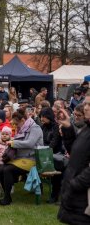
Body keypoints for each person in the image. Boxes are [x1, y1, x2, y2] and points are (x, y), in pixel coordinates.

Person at [0, 108, 43, 205]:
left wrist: (13, 143)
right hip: (21, 158)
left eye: (16, 124)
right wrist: (8, 140)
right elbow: (20, 141)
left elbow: (30, 143)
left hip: (33, 159)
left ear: (22, 120)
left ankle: (7, 198)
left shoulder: (35, 128)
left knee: (7, 169)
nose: (15, 126)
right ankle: (7, 196)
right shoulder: (23, 128)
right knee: (1, 169)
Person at [57, 92, 90, 224]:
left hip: (84, 198)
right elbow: (76, 153)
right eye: (85, 103)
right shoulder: (86, 129)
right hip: (76, 197)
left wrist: (75, 184)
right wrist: (68, 128)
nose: (86, 107)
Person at [0, 126, 12, 198]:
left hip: (8, 164)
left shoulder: (11, 144)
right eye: (3, 134)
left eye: (6, 134)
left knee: (8, 176)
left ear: (10, 135)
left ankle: (10, 187)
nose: (4, 135)